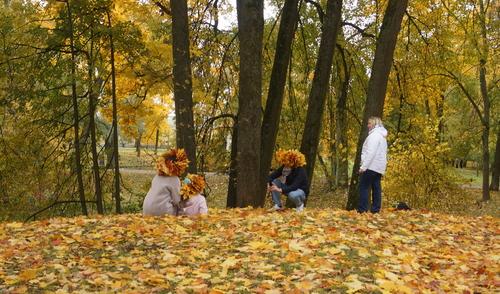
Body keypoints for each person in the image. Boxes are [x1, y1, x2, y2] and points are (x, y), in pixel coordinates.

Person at [143, 148, 189, 217]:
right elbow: (176, 201)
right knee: (177, 209)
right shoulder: (174, 179)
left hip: (146, 209)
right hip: (161, 211)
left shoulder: (157, 176)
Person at [358, 116, 388, 214]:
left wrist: (363, 167)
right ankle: (375, 210)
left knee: (363, 186)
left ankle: (362, 210)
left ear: (374, 125)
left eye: (369, 123)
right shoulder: (382, 137)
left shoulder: (374, 136)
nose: (368, 125)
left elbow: (370, 153)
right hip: (379, 166)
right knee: (376, 187)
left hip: (371, 166)